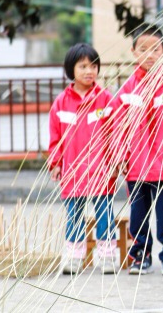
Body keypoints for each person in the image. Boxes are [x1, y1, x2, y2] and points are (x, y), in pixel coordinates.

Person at [111, 25, 163, 275]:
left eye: (155, 49)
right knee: (138, 215)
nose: (149, 54)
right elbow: (118, 126)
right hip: (135, 166)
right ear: (133, 52)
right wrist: (120, 156)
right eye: (143, 49)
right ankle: (140, 254)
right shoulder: (127, 89)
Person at [48, 43, 117, 274]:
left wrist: (116, 161)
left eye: (94, 66)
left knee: (105, 215)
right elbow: (55, 138)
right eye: (83, 66)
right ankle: (73, 258)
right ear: (71, 69)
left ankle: (107, 257)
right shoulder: (61, 103)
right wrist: (55, 163)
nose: (90, 71)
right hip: (73, 172)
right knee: (74, 216)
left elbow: (115, 133)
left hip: (101, 170)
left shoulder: (106, 99)